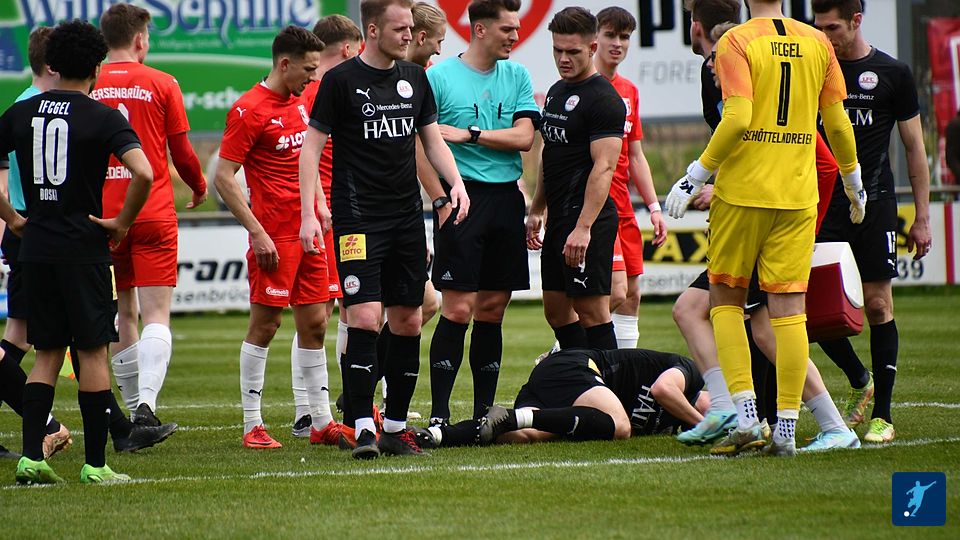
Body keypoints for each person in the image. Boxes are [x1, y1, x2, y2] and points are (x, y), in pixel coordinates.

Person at [664, 0, 864, 456]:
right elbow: (837, 121)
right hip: (797, 197)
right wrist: (854, 181)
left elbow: (737, 117)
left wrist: (694, 175)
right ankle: (787, 429)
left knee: (725, 303)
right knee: (789, 314)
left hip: (743, 194)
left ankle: (747, 417)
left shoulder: (737, 40)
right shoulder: (817, 41)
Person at [298, 0, 470, 460]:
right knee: (364, 318)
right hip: (358, 220)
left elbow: (430, 139)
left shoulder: (415, 79)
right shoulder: (340, 81)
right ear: (372, 30)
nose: (409, 35)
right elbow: (311, 149)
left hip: (406, 220)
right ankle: (361, 427)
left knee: (409, 319)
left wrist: (455, 184)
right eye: (400, 28)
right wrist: (309, 213)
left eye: (411, 28)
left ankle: (394, 428)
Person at [0, 19, 154, 484]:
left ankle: (32, 458)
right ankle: (96, 465)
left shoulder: (21, 112)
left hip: (36, 248)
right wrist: (122, 222)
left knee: (46, 353)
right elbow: (144, 172)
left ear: (52, 64)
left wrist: (12, 218)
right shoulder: (102, 116)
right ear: (96, 67)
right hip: (84, 249)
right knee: (92, 354)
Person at [812, 0, 932, 444]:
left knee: (879, 305)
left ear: (856, 21)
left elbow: (915, 148)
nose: (826, 37)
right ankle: (859, 379)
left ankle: (882, 414)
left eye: (833, 27)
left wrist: (922, 217)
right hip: (822, 206)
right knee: (813, 309)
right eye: (819, 28)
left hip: (876, 205)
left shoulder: (893, 73)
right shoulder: (813, 69)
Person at [215, 26, 331, 450]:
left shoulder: (300, 101)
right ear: (285, 64)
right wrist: (257, 232)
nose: (313, 78)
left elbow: (307, 160)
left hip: (307, 231)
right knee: (266, 325)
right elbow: (223, 177)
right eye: (308, 69)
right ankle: (252, 425)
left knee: (316, 323)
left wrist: (319, 206)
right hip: (274, 236)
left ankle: (321, 422)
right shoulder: (249, 109)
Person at [425, 0, 541, 425]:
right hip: (461, 198)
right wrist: (439, 199)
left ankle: (483, 415)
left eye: (517, 28)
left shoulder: (517, 75)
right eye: (507, 29)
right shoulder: (438, 78)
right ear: (479, 29)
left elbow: (525, 137)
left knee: (492, 309)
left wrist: (470, 134)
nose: (515, 36)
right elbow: (422, 145)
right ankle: (439, 416)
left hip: (506, 199)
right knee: (457, 309)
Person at [92, 4, 208, 427]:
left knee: (123, 312)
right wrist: (198, 185)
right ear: (140, 39)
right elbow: (182, 152)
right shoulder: (162, 82)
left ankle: (128, 415)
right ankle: (146, 406)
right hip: (152, 210)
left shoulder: (88, 82)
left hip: (102, 215)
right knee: (156, 314)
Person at [525, 7, 624, 352]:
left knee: (592, 311)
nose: (563, 59)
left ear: (593, 48)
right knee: (555, 310)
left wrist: (583, 228)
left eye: (572, 51)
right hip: (558, 217)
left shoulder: (604, 99)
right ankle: (580, 373)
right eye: (557, 50)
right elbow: (549, 154)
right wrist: (537, 208)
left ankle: (610, 381)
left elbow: (604, 168)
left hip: (587, 220)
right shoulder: (556, 91)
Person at [286, 15, 364, 444]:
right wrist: (314, 207)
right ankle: (313, 410)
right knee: (324, 311)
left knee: (330, 310)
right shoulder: (325, 90)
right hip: (331, 215)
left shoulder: (319, 88)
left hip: (335, 213)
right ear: (350, 48)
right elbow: (307, 154)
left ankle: (334, 404)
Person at [0, 26, 72, 461]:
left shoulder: (23, 106)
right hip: (36, 231)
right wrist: (13, 221)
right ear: (53, 66)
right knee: (65, 335)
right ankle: (51, 427)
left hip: (29, 230)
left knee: (22, 336)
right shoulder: (30, 112)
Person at [415, 347, 707, 447]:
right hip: (574, 367)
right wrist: (705, 426)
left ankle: (435, 437)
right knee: (621, 427)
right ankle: (513, 416)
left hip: (563, 393)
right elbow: (663, 390)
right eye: (720, 413)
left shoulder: (671, 424)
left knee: (524, 435)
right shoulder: (692, 374)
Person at [594, 7, 667, 349]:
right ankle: (564, 351)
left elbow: (635, 155)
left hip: (623, 206)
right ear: (594, 39)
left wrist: (654, 207)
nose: (618, 43)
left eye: (624, 37)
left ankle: (623, 370)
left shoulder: (629, 91)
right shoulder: (582, 87)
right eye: (610, 35)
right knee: (613, 291)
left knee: (632, 293)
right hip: (596, 205)